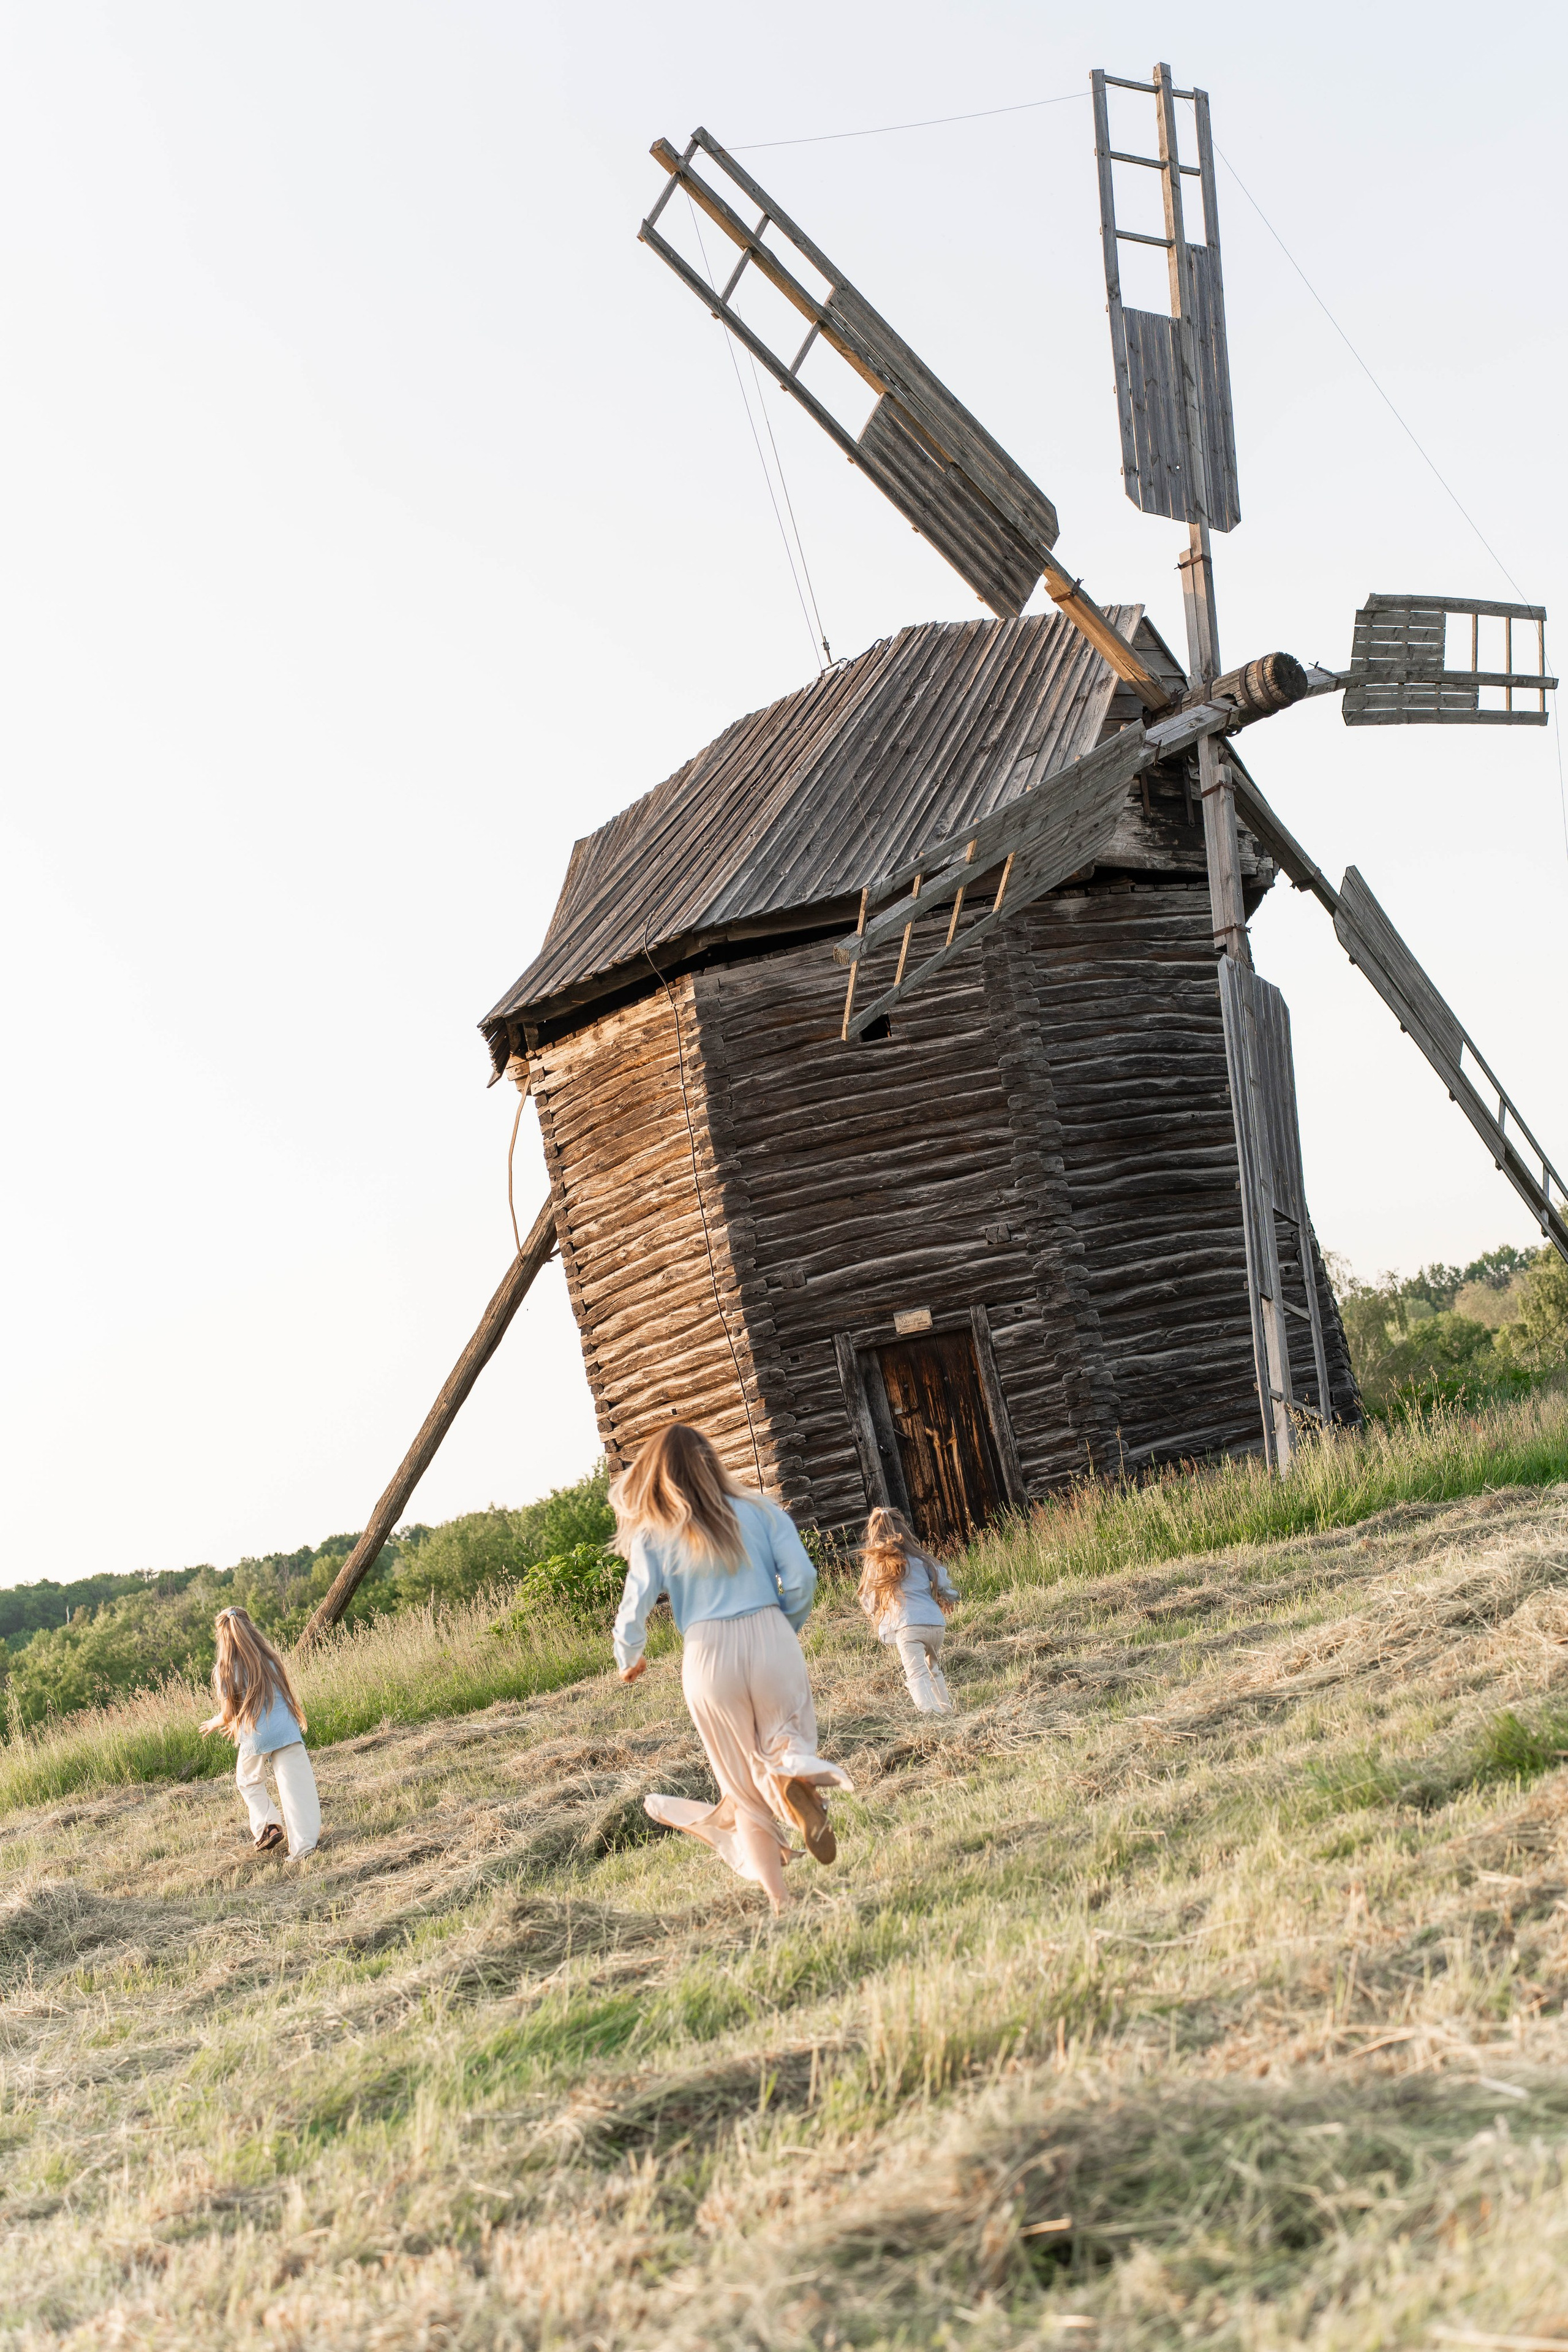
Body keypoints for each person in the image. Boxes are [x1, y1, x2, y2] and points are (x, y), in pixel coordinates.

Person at [611, 1422, 851, 1915]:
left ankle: (781, 1901)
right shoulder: (762, 1509)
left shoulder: (655, 1531)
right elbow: (802, 1577)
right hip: (769, 1633)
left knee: (739, 1787)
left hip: (706, 1654)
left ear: (657, 1475)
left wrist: (628, 1655)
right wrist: (784, 1625)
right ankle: (793, 1783)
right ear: (713, 1460)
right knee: (787, 1740)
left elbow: (634, 1604)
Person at [201, 1606, 320, 1858]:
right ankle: (303, 1848)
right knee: (296, 1789)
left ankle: (269, 1825)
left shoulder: (225, 1670)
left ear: (222, 1637)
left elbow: (228, 1714)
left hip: (256, 1735)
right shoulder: (269, 1658)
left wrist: (215, 1723)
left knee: (248, 1781)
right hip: (287, 1730)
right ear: (251, 1628)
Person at [857, 1506, 959, 1715]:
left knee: (917, 1674)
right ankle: (946, 1710)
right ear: (904, 1531)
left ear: (874, 1536)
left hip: (908, 1626)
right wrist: (947, 1599)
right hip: (935, 1625)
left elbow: (869, 1599)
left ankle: (929, 1715)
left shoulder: (878, 1566)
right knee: (933, 1669)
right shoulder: (921, 1560)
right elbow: (943, 1584)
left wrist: (875, 1611)